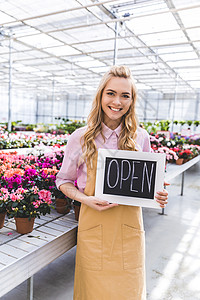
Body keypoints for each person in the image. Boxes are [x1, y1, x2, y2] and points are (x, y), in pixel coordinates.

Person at [56, 65, 168, 300]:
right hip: (94, 227)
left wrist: (158, 193)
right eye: (111, 93)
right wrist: (86, 198)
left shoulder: (140, 136)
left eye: (125, 95)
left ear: (132, 100)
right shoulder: (81, 137)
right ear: (101, 95)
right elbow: (64, 181)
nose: (117, 101)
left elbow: (150, 183)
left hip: (129, 231)